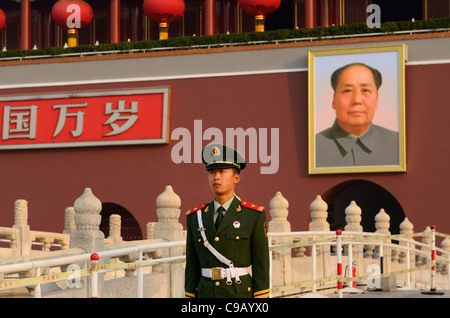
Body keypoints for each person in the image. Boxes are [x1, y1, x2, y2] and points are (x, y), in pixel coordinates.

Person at [184, 144, 270, 298]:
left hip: (238, 294)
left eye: (222, 172)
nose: (216, 177)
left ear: (236, 178)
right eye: (211, 172)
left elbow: (261, 265)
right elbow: (192, 265)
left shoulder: (253, 215)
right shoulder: (195, 217)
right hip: (206, 293)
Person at [315, 63, 399, 168]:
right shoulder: (312, 148)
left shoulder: (398, 143)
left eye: (365, 90)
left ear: (377, 99)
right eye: (347, 91)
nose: (357, 100)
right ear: (334, 100)